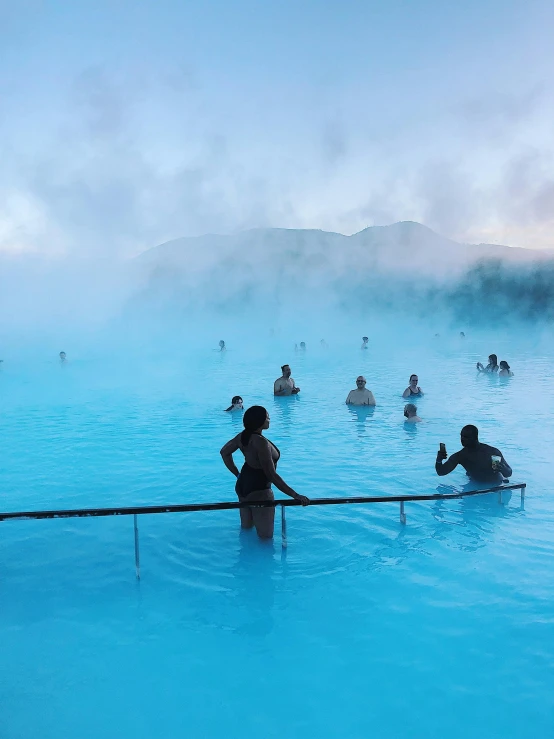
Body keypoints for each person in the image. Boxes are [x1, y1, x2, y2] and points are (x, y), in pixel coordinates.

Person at [220, 405, 309, 538]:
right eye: (267, 417)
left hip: (242, 485)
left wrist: (237, 474)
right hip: (259, 491)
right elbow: (271, 474)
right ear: (259, 421)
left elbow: (224, 452)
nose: (269, 419)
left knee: (246, 530)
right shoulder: (260, 443)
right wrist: (295, 495)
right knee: (265, 538)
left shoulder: (243, 436)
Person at [435, 425, 512, 483]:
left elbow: (509, 473)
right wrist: (439, 460)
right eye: (461, 436)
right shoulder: (460, 456)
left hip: (496, 485)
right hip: (476, 485)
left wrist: (504, 469)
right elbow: (441, 472)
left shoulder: (491, 452)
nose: (462, 439)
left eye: (466, 437)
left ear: (475, 438)